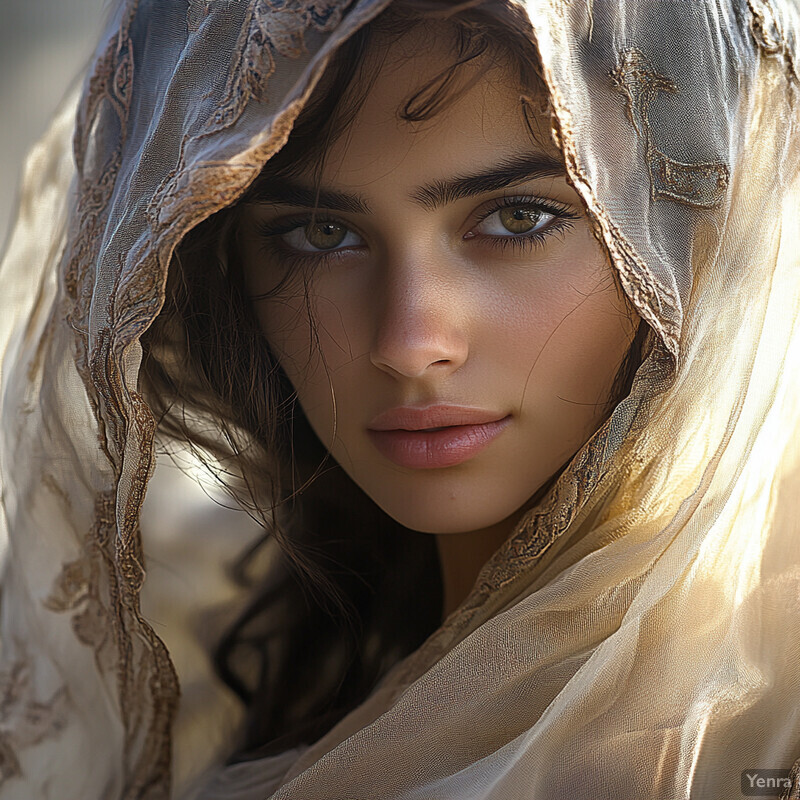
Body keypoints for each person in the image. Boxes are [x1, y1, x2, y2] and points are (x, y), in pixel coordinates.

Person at [1, 0, 799, 798]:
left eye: (519, 217)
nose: (409, 344)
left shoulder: (728, 741)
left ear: (713, 227)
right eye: (320, 233)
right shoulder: (243, 650)